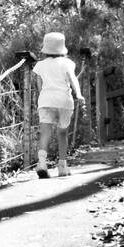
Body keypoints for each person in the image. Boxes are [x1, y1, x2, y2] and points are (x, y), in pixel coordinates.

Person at [33, 31, 85, 178]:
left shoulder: (40, 65)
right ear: (62, 48)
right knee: (62, 133)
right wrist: (78, 94)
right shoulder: (68, 63)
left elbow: (39, 85)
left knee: (45, 132)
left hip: (46, 101)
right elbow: (73, 79)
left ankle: (42, 163)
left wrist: (42, 99)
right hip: (64, 101)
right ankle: (62, 166)